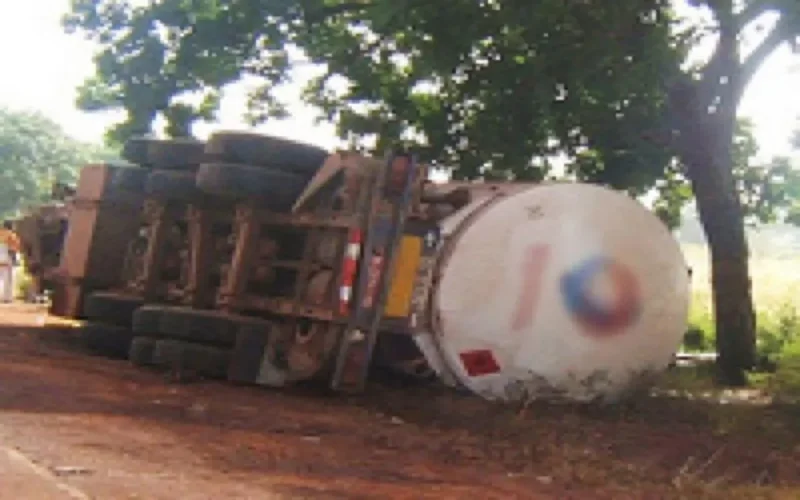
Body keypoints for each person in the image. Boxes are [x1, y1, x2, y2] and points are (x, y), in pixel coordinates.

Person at [0, 221, 21, 303]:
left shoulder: (1, 233)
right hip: (7, 256)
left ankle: (5, 297)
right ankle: (7, 297)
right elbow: (13, 249)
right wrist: (15, 259)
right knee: (8, 278)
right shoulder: (12, 235)